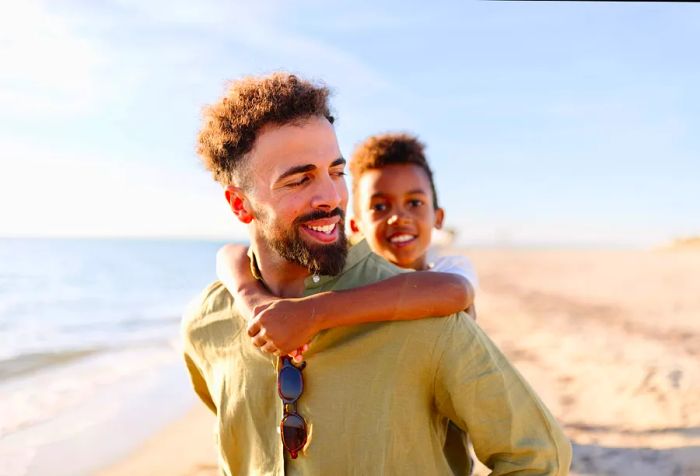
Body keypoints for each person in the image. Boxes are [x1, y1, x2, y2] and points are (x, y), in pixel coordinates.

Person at [182, 72, 572, 475]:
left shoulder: (424, 319)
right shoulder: (204, 325)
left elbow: (537, 457)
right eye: (299, 179)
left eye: (336, 172)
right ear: (239, 204)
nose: (332, 198)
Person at [215, 132, 478, 360]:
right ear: (354, 226)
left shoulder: (448, 268)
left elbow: (456, 290)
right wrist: (252, 299)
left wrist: (312, 314)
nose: (399, 217)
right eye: (380, 207)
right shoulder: (344, 265)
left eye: (415, 203)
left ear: (439, 217)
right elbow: (229, 254)